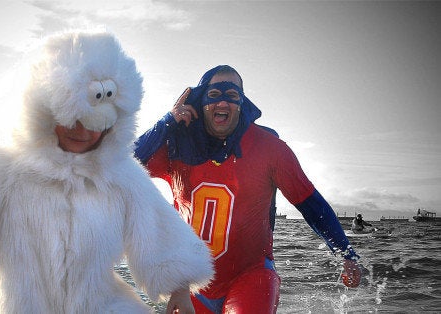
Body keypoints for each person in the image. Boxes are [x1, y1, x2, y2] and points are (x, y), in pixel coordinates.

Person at [0, 31, 213, 313]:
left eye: (94, 124)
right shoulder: (3, 171)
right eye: (72, 120)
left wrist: (179, 291)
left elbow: (162, 240)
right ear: (46, 111)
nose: (82, 132)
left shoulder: (123, 177)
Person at [135, 65, 362, 313]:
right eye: (213, 95)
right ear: (200, 102)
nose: (223, 103)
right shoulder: (176, 145)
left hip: (251, 275)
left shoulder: (270, 149)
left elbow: (309, 203)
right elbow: (118, 165)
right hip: (191, 282)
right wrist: (167, 121)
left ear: (242, 104)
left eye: (232, 96)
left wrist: (346, 254)